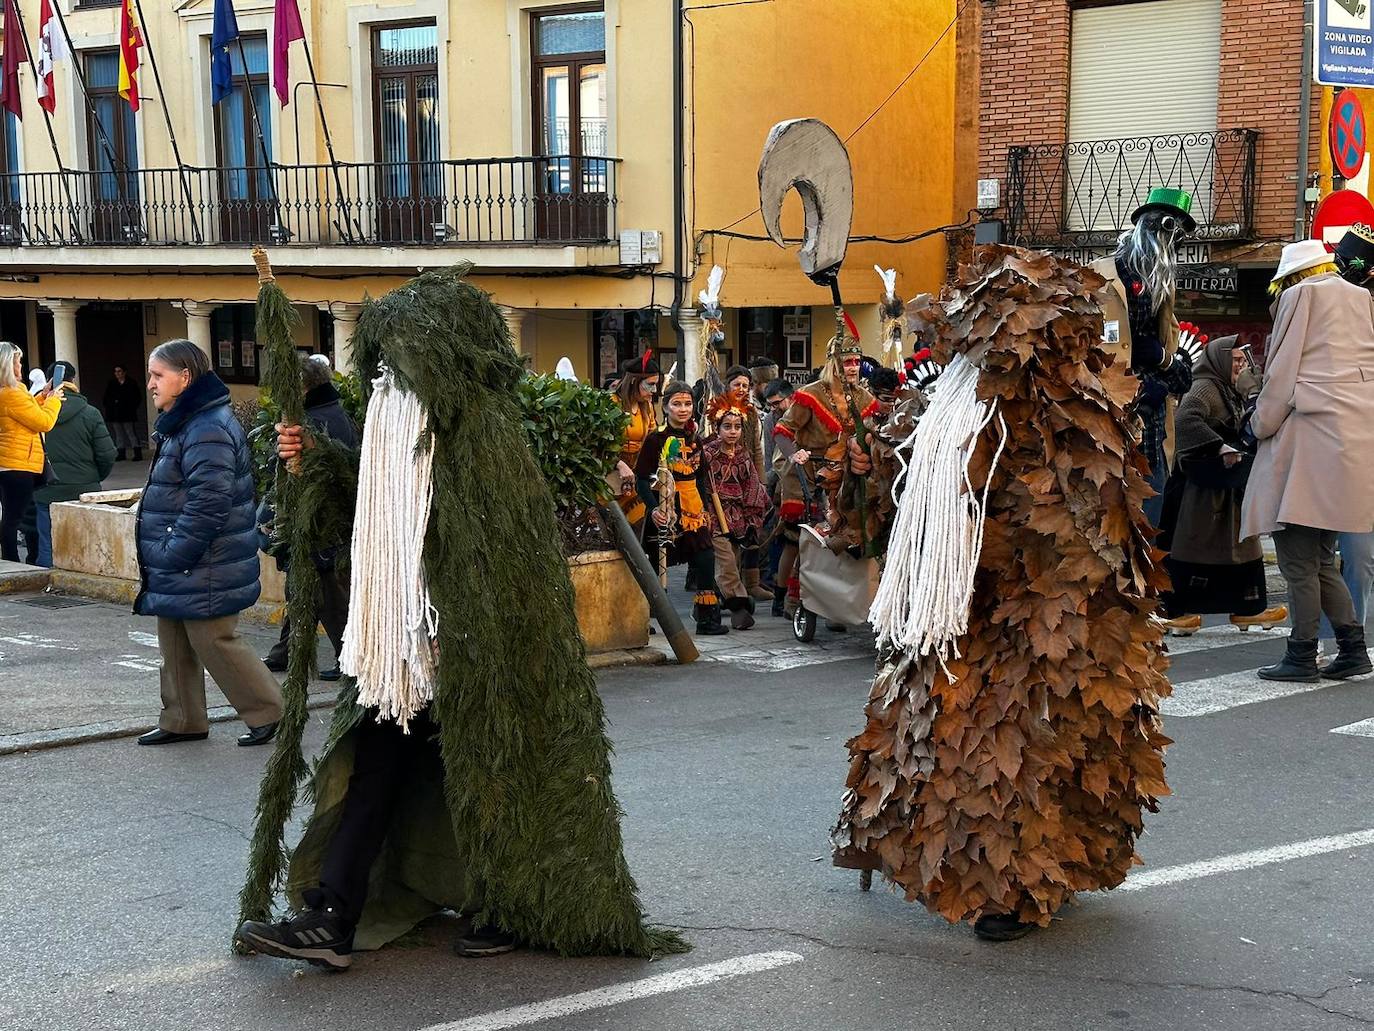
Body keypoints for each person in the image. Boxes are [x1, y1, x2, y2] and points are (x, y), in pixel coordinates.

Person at [234, 266, 684, 970]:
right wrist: (317, 459)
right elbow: (385, 507)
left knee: (487, 768)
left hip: (474, 650)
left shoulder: (488, 441)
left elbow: (501, 556)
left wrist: (468, 632)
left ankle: (501, 902)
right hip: (403, 652)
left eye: (402, 358)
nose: (388, 376)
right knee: (376, 764)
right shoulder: (398, 427)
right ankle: (331, 915)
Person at [133, 339, 283, 746]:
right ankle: (182, 720)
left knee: (215, 640)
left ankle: (270, 713)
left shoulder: (206, 426)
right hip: (186, 559)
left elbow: (209, 503)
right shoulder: (187, 421)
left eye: (157, 375)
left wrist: (173, 550)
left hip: (204, 559)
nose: (150, 384)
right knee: (175, 638)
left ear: (185, 377)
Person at [1240, 236, 1374, 683]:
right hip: (1347, 452)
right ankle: (1353, 649)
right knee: (1320, 558)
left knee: (1297, 559)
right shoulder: (1361, 298)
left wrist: (1256, 424)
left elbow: (1280, 376)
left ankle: (1301, 654)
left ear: (1292, 277)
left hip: (1305, 449)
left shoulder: (1300, 296)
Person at [1089, 188, 1206, 523]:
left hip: (1152, 428)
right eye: (1168, 230)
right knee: (1109, 526)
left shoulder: (1161, 289)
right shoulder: (1102, 277)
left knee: (1147, 520)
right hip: (1110, 423)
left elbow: (1170, 361)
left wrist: (1168, 366)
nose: (1172, 244)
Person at [1157, 337, 1287, 635]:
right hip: (1200, 488)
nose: (1240, 367)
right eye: (1236, 361)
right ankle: (1177, 612)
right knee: (1194, 547)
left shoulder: (1228, 390)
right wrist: (1219, 447)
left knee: (1240, 545)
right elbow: (1186, 419)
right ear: (1220, 360)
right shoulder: (1205, 386)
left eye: (1243, 361)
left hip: (1225, 485)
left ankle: (1248, 608)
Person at [262, 356, 360, 680]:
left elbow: (321, 471)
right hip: (321, 520)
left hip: (320, 522)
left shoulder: (316, 421)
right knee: (302, 588)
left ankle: (352, 660)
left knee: (327, 593)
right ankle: (287, 651)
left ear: (303, 388)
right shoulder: (330, 412)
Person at [774, 314, 876, 607]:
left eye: (857, 362)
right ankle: (787, 597)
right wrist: (793, 453)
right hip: (806, 471)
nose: (854, 368)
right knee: (800, 538)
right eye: (848, 362)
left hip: (845, 474)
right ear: (835, 363)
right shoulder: (809, 395)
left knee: (839, 537)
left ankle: (829, 598)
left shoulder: (864, 397)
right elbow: (783, 430)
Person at [636, 380, 728, 635]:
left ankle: (707, 619)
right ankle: (644, 621)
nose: (683, 409)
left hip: (693, 511)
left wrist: (706, 509)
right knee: (656, 566)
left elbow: (701, 479)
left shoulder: (695, 439)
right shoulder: (655, 440)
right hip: (665, 509)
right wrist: (654, 509)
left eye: (687, 404)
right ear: (665, 407)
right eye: (677, 404)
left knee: (705, 559)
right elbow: (641, 481)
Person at [24, 361, 116, 568]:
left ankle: (46, 591)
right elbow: (107, 454)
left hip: (46, 491)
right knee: (88, 546)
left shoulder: (36, 413)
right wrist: (92, 477)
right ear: (73, 380)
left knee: (48, 548)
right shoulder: (90, 413)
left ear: (49, 381)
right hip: (84, 490)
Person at [704, 393, 770, 630]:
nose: (732, 432)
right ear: (716, 427)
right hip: (712, 515)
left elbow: (752, 485)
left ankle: (704, 606)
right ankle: (739, 607)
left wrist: (752, 516)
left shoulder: (743, 455)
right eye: (727, 427)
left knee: (728, 562)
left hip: (737, 519)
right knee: (727, 563)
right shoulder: (708, 454)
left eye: (737, 427)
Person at [0, 342, 64, 563]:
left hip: (9, 463)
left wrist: (43, 396)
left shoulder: (10, 393)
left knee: (11, 515)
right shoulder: (12, 393)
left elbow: (24, 416)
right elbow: (44, 422)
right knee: (13, 518)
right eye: (18, 361)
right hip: (18, 465)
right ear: (9, 365)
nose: (20, 365)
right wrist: (54, 401)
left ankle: (10, 559)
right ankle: (11, 561)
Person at [610, 351, 661, 537]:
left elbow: (653, 438)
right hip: (612, 478)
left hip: (638, 478)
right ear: (634, 381)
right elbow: (597, 445)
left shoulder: (647, 406)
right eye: (651, 385)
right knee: (617, 535)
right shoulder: (610, 404)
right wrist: (619, 464)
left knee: (642, 528)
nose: (654, 391)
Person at [103, 363, 144, 461]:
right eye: (115, 371)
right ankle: (121, 454)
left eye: (119, 371)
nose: (117, 373)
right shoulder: (112, 383)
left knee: (131, 432)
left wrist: (132, 407)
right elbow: (106, 398)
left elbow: (137, 397)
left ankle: (137, 453)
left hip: (128, 413)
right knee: (119, 434)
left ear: (124, 372)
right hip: (115, 413)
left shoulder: (131, 383)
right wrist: (110, 407)